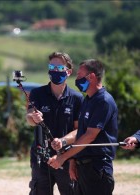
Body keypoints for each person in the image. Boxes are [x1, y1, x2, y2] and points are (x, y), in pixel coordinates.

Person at [48, 59, 118, 195]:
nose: (77, 79)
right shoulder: (88, 99)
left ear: (91, 76)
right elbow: (80, 133)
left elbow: (89, 136)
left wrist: (62, 158)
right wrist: (73, 162)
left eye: (80, 75)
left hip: (97, 169)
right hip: (83, 168)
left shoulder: (103, 101)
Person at [26, 51, 83, 195]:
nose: (54, 71)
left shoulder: (77, 98)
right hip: (41, 157)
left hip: (66, 157)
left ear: (68, 72)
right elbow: (29, 118)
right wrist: (34, 117)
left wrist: (63, 141)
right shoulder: (37, 93)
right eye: (51, 67)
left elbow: (79, 130)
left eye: (59, 68)